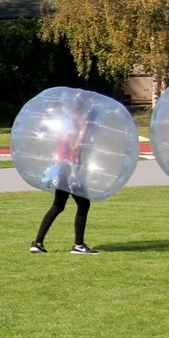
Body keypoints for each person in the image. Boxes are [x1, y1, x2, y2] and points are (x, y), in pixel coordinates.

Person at [30, 98, 100, 255]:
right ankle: (78, 245)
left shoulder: (67, 124)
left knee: (58, 206)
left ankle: (37, 243)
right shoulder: (80, 125)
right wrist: (84, 134)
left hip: (61, 168)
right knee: (83, 205)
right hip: (71, 170)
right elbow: (76, 149)